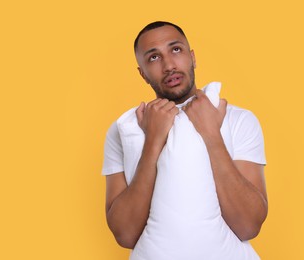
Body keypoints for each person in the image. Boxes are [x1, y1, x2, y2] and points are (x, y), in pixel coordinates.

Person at [102, 21, 268, 259]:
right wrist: (152, 143)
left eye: (176, 50)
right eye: (153, 58)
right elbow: (125, 235)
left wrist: (211, 134)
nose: (169, 65)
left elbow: (248, 226)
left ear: (193, 57)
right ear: (142, 74)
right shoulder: (124, 129)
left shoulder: (239, 120)